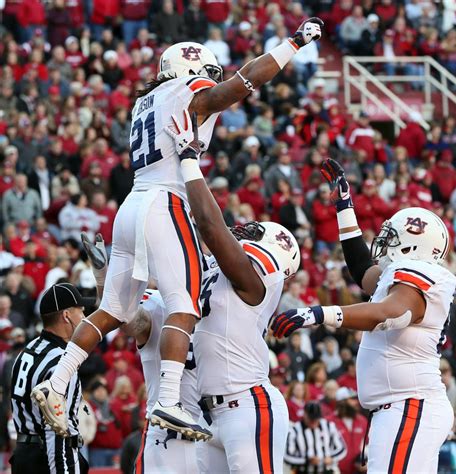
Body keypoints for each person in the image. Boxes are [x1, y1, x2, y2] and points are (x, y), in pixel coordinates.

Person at [32, 19, 324, 440]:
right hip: (165, 202)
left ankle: (57, 382)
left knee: (113, 309)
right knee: (183, 303)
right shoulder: (189, 92)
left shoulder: (144, 102)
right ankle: (168, 399)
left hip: (132, 204)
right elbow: (238, 86)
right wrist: (292, 45)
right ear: (196, 71)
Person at [272, 158, 456, 473]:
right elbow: (362, 269)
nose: (385, 241)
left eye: (395, 237)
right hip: (402, 407)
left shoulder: (420, 278)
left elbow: (388, 314)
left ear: (415, 247)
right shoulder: (399, 276)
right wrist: (345, 207)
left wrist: (317, 313)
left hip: (410, 406)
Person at [166, 111, 301, 472]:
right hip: (212, 412)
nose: (245, 229)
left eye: (256, 232)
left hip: (249, 406)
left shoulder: (258, 280)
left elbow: (211, 226)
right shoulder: (217, 271)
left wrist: (190, 162)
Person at [82, 233, 200, 473]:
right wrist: (103, 278)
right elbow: (126, 319)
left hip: (209, 426)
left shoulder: (214, 301)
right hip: (166, 428)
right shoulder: (157, 303)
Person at [10, 283, 94, 473]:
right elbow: (57, 430)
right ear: (66, 315)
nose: (85, 318)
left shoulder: (26, 351)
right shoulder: (62, 362)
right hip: (48, 457)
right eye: (80, 311)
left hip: (23, 453)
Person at [285, 401, 347, 473]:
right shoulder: (294, 430)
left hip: (326, 471)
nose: (314, 421)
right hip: (303, 471)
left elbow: (342, 448)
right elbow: (287, 456)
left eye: (316, 418)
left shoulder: (329, 426)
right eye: (311, 418)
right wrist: (306, 460)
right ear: (305, 415)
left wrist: (331, 458)